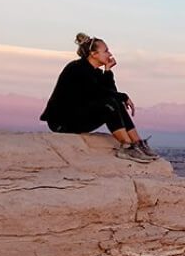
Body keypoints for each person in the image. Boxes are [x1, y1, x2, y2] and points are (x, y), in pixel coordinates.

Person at [40, 33, 159, 163]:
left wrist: (108, 70)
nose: (109, 54)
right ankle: (126, 146)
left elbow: (110, 92)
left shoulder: (95, 72)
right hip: (62, 122)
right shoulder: (77, 68)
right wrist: (123, 96)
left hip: (77, 116)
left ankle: (137, 143)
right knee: (110, 103)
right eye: (106, 51)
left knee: (114, 102)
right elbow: (96, 92)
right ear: (93, 54)